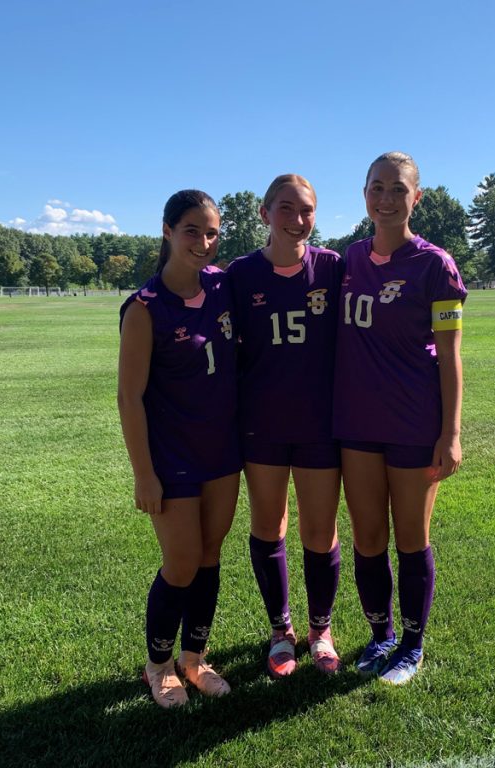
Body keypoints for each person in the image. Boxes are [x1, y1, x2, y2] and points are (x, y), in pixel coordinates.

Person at [333, 152, 467, 685]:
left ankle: (412, 646)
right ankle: (381, 635)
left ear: (417, 197)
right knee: (368, 537)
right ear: (364, 193)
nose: (386, 199)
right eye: (377, 187)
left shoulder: (436, 265)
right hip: (357, 423)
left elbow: (451, 357)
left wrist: (451, 434)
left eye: (398, 189)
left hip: (414, 422)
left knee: (411, 537)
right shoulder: (349, 259)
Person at [117, 190, 242, 708]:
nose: (204, 242)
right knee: (183, 561)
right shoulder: (145, 308)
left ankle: (194, 659)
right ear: (167, 231)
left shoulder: (222, 286)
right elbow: (129, 397)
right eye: (193, 230)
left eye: (212, 233)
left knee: (209, 555)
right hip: (172, 456)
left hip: (222, 451)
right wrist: (143, 474)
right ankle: (158, 666)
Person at [226, 175, 345, 678]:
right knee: (268, 524)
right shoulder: (240, 274)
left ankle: (321, 630)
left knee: (320, 529)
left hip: (319, 423)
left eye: (307, 210)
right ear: (264, 213)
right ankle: (281, 631)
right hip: (262, 423)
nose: (297, 220)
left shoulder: (333, 267)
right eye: (286, 209)